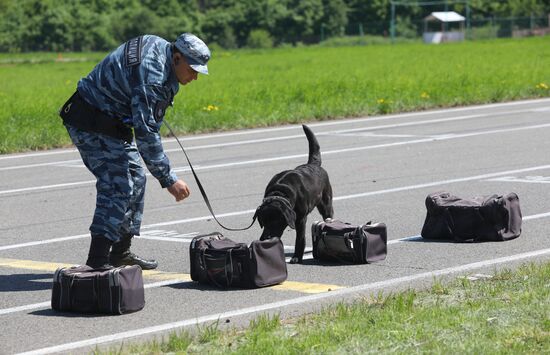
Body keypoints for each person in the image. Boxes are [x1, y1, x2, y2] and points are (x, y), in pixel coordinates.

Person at [59, 33, 211, 270]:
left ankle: (120, 252)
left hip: (112, 122)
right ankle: (97, 261)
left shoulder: (162, 49)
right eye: (193, 69)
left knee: (136, 178)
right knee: (118, 185)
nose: (194, 77)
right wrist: (168, 179)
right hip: (90, 120)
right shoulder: (153, 76)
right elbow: (146, 133)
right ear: (178, 57)